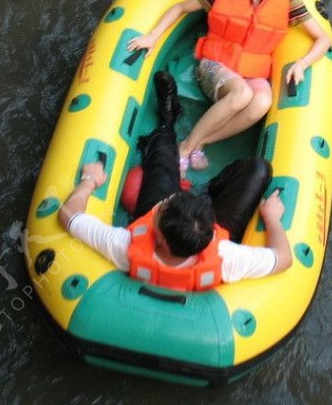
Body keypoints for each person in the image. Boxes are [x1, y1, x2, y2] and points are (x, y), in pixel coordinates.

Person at [57, 72, 292, 289]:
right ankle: (173, 125)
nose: (164, 202)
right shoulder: (228, 257)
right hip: (196, 233)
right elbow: (283, 259)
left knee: (161, 159)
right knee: (258, 169)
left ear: (157, 236)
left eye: (163, 206)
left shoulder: (124, 247)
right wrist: (272, 218)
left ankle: (166, 124)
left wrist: (89, 180)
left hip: (178, 233)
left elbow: (68, 215)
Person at [127, 0, 332, 173]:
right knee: (241, 94)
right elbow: (181, 7)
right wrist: (153, 35)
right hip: (215, 62)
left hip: (251, 69)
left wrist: (302, 64)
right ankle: (185, 147)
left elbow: (322, 38)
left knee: (262, 102)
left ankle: (201, 141)